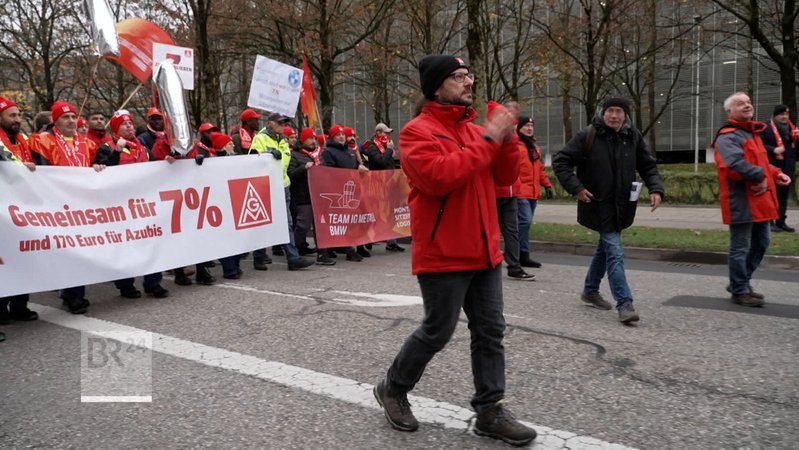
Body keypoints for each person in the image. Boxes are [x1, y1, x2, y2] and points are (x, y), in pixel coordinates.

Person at [373, 54, 536, 446]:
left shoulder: (473, 129)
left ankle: (490, 410)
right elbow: (440, 178)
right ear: (435, 86)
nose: (468, 82)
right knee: (437, 331)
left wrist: (508, 139)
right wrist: (489, 138)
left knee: (491, 332)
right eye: (458, 76)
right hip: (443, 251)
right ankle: (393, 388)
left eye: (469, 75)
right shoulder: (415, 132)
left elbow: (505, 177)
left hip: (484, 249)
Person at [552, 97, 664, 324]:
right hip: (598, 203)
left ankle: (590, 290)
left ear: (626, 115)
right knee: (615, 252)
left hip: (622, 205)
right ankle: (625, 303)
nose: (614, 116)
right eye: (610, 111)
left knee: (605, 250)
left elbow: (647, 165)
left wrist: (656, 188)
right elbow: (561, 161)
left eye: (619, 112)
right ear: (603, 113)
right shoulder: (588, 135)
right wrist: (577, 188)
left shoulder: (632, 136)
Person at [711, 92, 791, 307]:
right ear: (730, 111)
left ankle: (740, 282)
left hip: (759, 200)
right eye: (740, 103)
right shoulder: (728, 136)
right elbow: (732, 164)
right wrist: (760, 176)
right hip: (742, 201)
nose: (746, 105)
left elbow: (762, 163)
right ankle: (739, 290)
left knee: (763, 242)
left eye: (748, 102)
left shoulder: (751, 133)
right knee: (741, 247)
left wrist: (775, 174)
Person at [28, 100, 106, 314]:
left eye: (73, 116)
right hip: (57, 206)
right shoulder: (40, 141)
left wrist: (98, 167)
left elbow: (95, 167)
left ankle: (75, 294)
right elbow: (42, 175)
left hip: (82, 207)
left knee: (79, 251)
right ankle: (72, 295)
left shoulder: (87, 143)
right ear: (55, 120)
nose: (71, 120)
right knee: (67, 251)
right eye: (65, 117)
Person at [100, 110, 170, 298]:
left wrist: (167, 163)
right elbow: (101, 173)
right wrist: (116, 152)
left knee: (152, 244)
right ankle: (126, 285)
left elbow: (156, 171)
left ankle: (153, 282)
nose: (129, 126)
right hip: (120, 209)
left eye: (130, 123)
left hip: (145, 206)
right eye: (124, 124)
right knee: (125, 248)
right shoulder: (107, 147)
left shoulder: (144, 149)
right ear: (115, 128)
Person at [250, 113, 315, 271]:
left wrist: (275, 158)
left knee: (287, 222)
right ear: (270, 123)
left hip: (282, 185)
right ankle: (258, 257)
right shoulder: (261, 138)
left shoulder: (283, 140)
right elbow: (253, 158)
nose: (283, 125)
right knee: (262, 222)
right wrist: (269, 156)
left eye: (284, 123)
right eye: (280, 122)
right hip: (265, 186)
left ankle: (293, 258)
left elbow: (285, 158)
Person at [0, 106, 39, 328]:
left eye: (18, 115)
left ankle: (19, 305)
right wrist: (19, 167)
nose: (17, 119)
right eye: (11, 115)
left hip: (22, 208)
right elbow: (7, 158)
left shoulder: (21, 139)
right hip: (3, 208)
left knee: (23, 255)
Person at [288, 128, 336, 264]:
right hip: (303, 196)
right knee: (303, 225)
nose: (313, 141)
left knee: (320, 226)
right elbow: (290, 174)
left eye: (314, 139)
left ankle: (323, 254)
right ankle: (294, 250)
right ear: (303, 140)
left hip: (319, 195)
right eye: (310, 138)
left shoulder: (319, 155)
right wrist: (303, 168)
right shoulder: (295, 155)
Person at [320, 124, 367, 262]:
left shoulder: (350, 151)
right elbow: (327, 170)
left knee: (349, 221)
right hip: (337, 191)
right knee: (341, 222)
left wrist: (359, 166)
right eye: (338, 135)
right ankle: (348, 250)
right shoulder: (328, 151)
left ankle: (344, 248)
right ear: (332, 137)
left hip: (350, 190)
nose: (341, 137)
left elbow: (352, 167)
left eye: (342, 135)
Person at [516, 116, 552, 268]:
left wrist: (547, 185)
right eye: (526, 125)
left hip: (533, 192)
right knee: (525, 221)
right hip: (520, 192)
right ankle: (521, 254)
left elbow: (539, 170)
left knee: (525, 223)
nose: (529, 128)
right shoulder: (515, 146)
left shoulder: (534, 147)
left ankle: (515, 253)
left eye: (531, 125)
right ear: (518, 128)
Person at [362, 122, 405, 252]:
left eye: (389, 133)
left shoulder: (386, 146)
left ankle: (392, 241)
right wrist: (389, 150)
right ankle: (368, 238)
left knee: (391, 212)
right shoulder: (371, 146)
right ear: (378, 133)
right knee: (376, 213)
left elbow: (389, 163)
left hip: (389, 182)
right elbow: (379, 162)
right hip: (378, 183)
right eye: (385, 132)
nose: (388, 135)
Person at [760, 104, 797, 233]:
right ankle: (769, 223)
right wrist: (773, 149)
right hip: (772, 168)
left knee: (783, 197)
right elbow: (759, 145)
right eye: (781, 114)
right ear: (775, 115)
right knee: (770, 196)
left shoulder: (791, 130)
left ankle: (781, 222)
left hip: (787, 168)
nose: (785, 117)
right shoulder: (766, 127)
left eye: (786, 114)